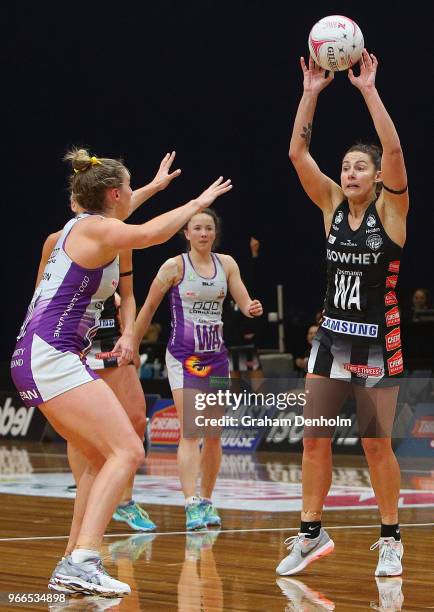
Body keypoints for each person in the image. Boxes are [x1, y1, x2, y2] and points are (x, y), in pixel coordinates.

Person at [11, 147, 232, 597]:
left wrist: (154, 186)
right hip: (50, 354)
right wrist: (195, 204)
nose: (131, 195)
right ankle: (84, 560)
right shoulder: (97, 230)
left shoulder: (80, 224)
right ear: (113, 194)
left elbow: (128, 209)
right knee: (128, 449)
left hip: (39, 353)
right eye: (128, 189)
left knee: (100, 457)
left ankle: (72, 558)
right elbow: (149, 233)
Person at [276, 50, 409, 578]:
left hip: (377, 340)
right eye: (346, 165)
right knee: (314, 439)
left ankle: (392, 537)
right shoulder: (331, 205)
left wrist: (368, 90)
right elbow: (296, 152)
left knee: (377, 445)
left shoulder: (392, 211)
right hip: (330, 340)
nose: (350, 171)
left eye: (360, 167)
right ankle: (311, 533)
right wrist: (310, 91)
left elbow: (395, 148)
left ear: (378, 178)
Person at [35, 153, 181, 532]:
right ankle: (83, 552)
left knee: (129, 426)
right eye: (128, 188)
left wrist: (130, 333)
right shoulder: (73, 235)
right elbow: (43, 297)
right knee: (103, 446)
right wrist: (196, 203)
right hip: (63, 348)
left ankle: (82, 551)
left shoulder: (113, 235)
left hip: (95, 341)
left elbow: (128, 290)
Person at [134, 208, 263, 530]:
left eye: (208, 228)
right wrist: (131, 343)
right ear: (187, 233)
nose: (204, 233)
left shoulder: (227, 264)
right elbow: (148, 307)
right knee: (191, 432)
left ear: (214, 233)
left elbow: (243, 300)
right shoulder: (174, 267)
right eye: (197, 228)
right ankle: (191, 503)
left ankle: (206, 500)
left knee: (214, 435)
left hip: (216, 360)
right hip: (184, 359)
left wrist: (251, 308)